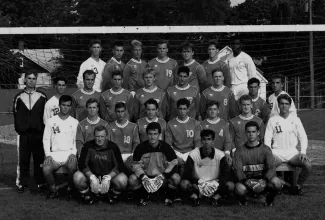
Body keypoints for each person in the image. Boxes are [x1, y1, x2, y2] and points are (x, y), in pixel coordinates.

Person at [264, 94, 311, 195]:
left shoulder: (296, 120)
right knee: (268, 164)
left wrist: (303, 152)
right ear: (278, 105)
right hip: (277, 153)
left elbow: (303, 137)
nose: (284, 106)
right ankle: (274, 185)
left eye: (286, 104)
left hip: (292, 153)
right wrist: (269, 153)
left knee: (307, 165)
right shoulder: (273, 120)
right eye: (281, 103)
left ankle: (297, 186)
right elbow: (267, 139)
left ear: (290, 106)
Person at [129, 122, 180, 206]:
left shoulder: (166, 147)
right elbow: (135, 166)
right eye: (150, 134)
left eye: (155, 134)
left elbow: (174, 165)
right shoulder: (140, 148)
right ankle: (143, 197)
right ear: (146, 134)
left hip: (161, 178)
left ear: (159, 134)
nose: (152, 137)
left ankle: (168, 197)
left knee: (176, 178)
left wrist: (162, 176)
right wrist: (143, 177)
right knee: (132, 179)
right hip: (146, 179)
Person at [233, 121, 283, 206]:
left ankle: (269, 200)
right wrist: (246, 181)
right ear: (245, 133)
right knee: (239, 188)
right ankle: (244, 201)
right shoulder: (239, 151)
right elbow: (238, 170)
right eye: (248, 132)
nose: (251, 134)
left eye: (253, 132)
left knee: (277, 182)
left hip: (263, 180)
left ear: (258, 133)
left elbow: (272, 167)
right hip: (247, 181)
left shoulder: (266, 149)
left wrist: (264, 180)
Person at [13, 71, 47, 193]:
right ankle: (22, 183)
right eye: (29, 78)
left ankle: (40, 182)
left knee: (39, 159)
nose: (31, 80)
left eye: (34, 78)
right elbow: (15, 115)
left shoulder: (42, 96)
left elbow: (45, 115)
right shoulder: (18, 97)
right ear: (25, 80)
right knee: (23, 159)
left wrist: (42, 129)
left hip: (38, 134)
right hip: (24, 134)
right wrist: (20, 129)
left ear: (36, 80)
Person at [181, 129, 234, 207]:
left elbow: (226, 175)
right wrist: (199, 183)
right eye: (204, 139)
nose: (206, 142)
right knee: (184, 184)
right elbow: (187, 174)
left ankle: (216, 197)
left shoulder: (220, 155)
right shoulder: (193, 154)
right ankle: (195, 197)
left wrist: (216, 184)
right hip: (198, 184)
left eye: (209, 139)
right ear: (201, 141)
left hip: (214, 184)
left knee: (230, 185)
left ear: (212, 141)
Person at [73, 125, 123, 204]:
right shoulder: (87, 146)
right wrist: (92, 177)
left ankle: (111, 195)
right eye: (97, 136)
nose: (100, 139)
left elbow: (120, 165)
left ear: (106, 136)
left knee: (122, 180)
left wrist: (108, 177)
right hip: (92, 176)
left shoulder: (113, 147)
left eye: (102, 136)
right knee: (77, 177)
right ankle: (89, 195)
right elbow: (82, 164)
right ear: (94, 136)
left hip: (108, 176)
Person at [42, 95, 79, 198]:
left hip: (69, 153)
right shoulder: (51, 121)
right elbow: (45, 139)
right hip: (55, 154)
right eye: (63, 105)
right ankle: (53, 190)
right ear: (59, 105)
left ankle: (70, 190)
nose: (65, 107)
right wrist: (48, 155)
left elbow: (77, 141)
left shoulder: (75, 122)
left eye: (68, 105)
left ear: (71, 107)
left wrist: (73, 153)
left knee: (72, 167)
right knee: (46, 169)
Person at [166, 98, 201, 173]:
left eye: (184, 109)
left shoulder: (195, 123)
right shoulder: (170, 124)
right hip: (175, 153)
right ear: (177, 109)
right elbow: (168, 144)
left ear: (188, 109)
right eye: (180, 109)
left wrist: (190, 156)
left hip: (190, 152)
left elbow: (197, 142)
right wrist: (176, 156)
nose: (182, 111)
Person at [107, 102, 140, 167]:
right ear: (115, 112)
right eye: (118, 111)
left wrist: (133, 155)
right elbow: (107, 143)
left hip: (129, 156)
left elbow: (136, 143)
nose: (120, 114)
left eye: (122, 111)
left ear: (126, 111)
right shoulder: (109, 126)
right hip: (115, 156)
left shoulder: (133, 126)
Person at [227, 36, 257, 100]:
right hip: (232, 87)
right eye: (233, 44)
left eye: (237, 44)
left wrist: (250, 89)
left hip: (243, 87)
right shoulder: (228, 58)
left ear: (241, 45)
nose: (235, 46)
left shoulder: (246, 57)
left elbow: (252, 75)